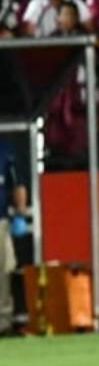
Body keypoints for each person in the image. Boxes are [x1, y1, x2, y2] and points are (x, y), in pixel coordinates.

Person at [0, 136, 27, 336]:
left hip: (0, 221)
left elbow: (17, 184)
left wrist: (20, 213)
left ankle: (3, 324)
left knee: (3, 274)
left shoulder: (4, 150)